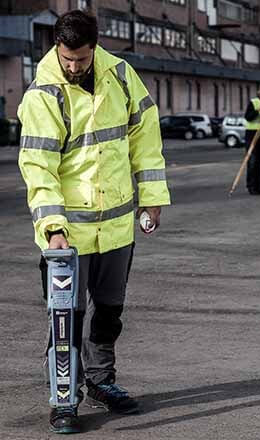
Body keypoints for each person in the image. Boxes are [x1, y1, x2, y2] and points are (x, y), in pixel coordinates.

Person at [17, 10, 170, 434]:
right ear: (58, 48)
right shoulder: (43, 93)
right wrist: (53, 227)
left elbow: (145, 135)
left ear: (95, 47)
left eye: (81, 59)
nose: (73, 67)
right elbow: (38, 167)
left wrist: (153, 198)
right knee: (65, 317)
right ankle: (64, 397)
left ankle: (102, 381)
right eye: (67, 59)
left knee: (109, 313)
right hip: (69, 235)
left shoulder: (120, 75)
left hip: (118, 227)